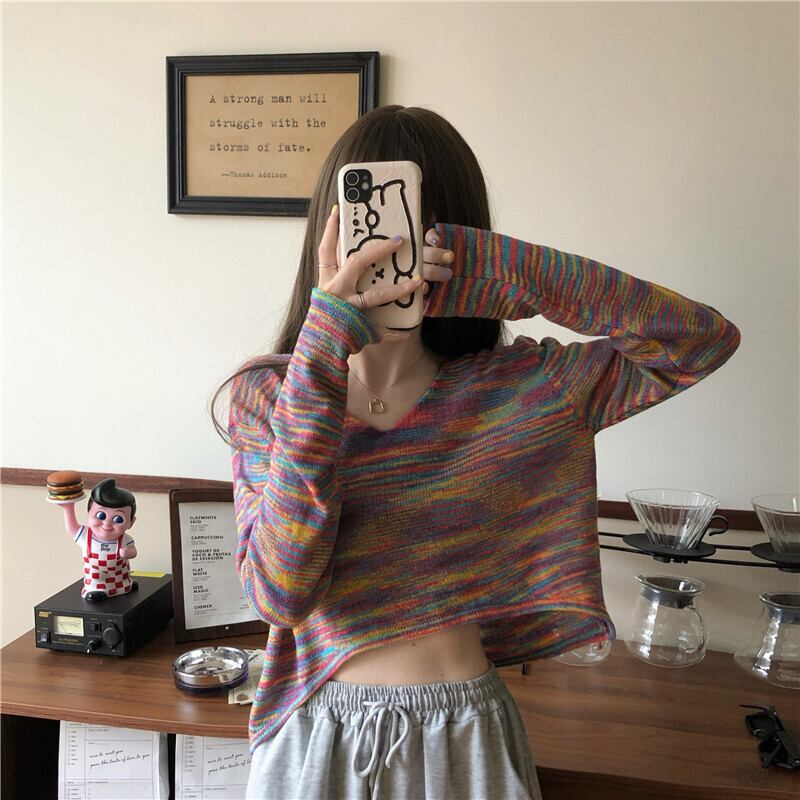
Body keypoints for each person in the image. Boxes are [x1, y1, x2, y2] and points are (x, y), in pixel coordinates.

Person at [214, 105, 741, 799]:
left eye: (413, 233)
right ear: (328, 230)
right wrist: (322, 351)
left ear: (459, 236)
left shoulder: (527, 389)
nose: (389, 255)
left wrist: (513, 274)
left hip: (464, 741)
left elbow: (700, 341)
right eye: (370, 228)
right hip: (314, 739)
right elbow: (280, 593)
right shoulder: (270, 394)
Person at [57, 478, 138, 601]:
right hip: (97, 578)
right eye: (101, 515)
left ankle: (126, 585)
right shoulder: (86, 535)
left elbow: (133, 551)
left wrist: (128, 552)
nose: (107, 524)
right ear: (89, 513)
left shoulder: (125, 539)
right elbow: (71, 527)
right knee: (96, 580)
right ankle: (96, 591)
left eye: (118, 519)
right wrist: (68, 508)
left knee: (123, 581)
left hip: (119, 576)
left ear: (131, 522)